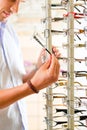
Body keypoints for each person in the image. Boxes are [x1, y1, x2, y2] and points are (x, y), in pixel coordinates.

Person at [0, 0, 60, 130]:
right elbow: (27, 86)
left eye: (20, 2)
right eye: (12, 0)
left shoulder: (8, 30)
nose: (15, 10)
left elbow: (16, 81)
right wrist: (32, 87)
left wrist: (38, 68)